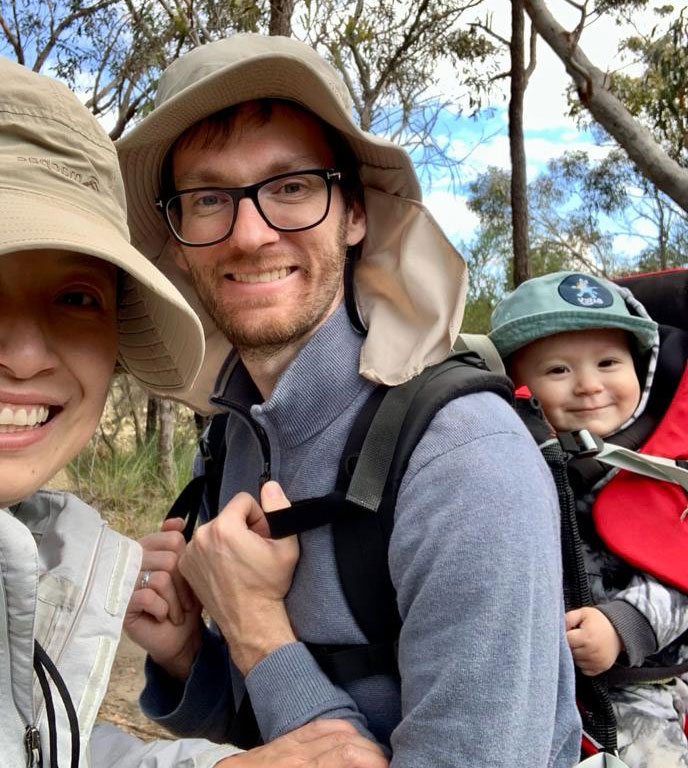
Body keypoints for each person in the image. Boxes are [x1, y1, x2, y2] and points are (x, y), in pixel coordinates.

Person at [117, 34, 581, 767]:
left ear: (354, 214)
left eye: (292, 187)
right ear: (177, 242)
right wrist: (187, 657)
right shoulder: (235, 434)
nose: (249, 233)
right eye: (209, 198)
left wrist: (253, 623)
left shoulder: (463, 462)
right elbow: (268, 738)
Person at [0, 55, 390, 768]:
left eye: (76, 297)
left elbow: (15, 746)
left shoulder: (24, 549)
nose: (24, 354)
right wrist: (258, 633)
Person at [489, 270, 688, 767]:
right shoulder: (503, 462)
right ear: (518, 385)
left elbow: (682, 582)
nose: (589, 385)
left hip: (639, 684)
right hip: (538, 682)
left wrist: (623, 625)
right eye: (557, 370)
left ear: (640, 370)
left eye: (608, 362)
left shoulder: (670, 469)